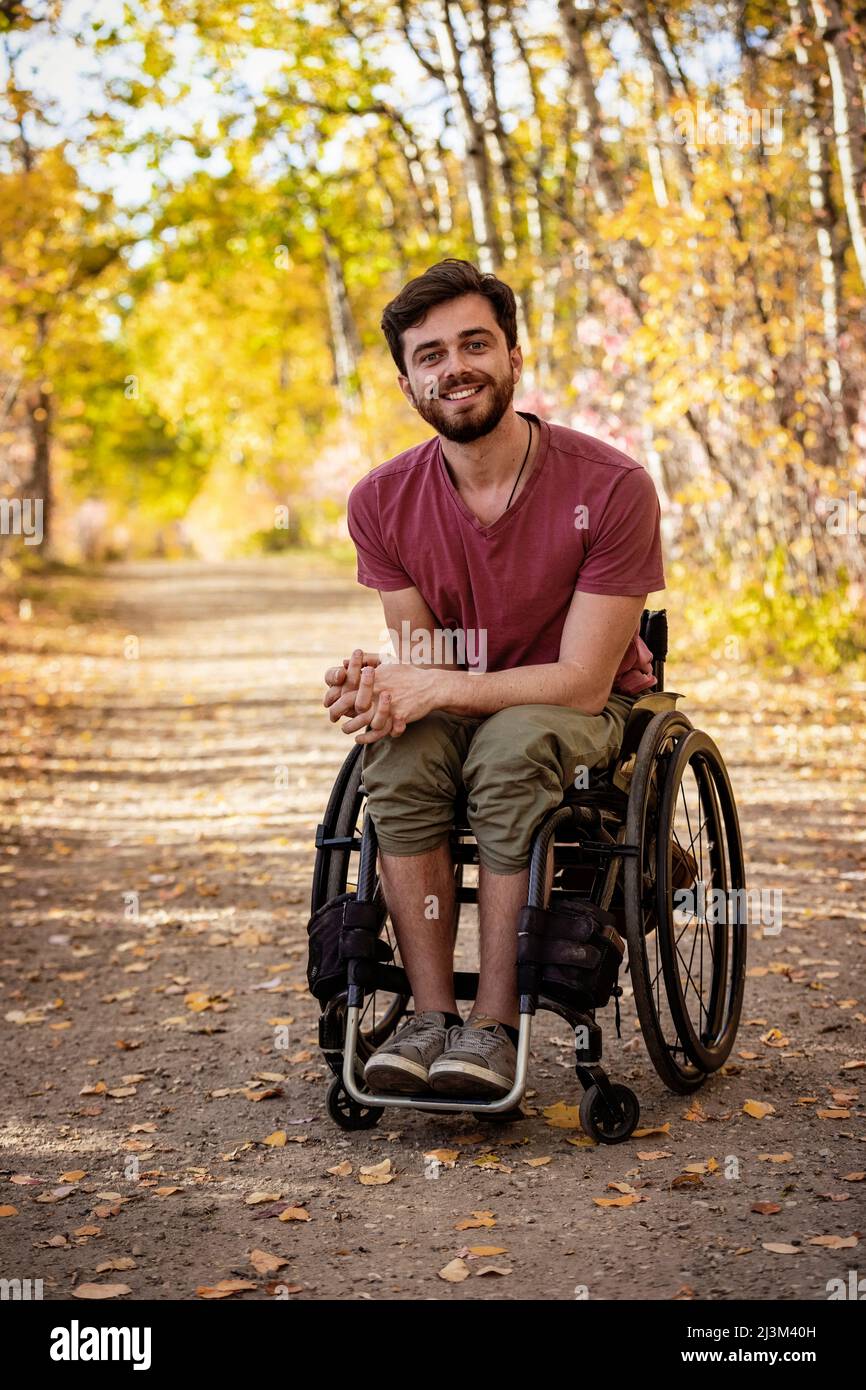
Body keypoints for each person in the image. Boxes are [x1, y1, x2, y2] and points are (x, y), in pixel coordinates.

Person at [322, 258, 665, 1100]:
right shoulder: (380, 502)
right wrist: (382, 684)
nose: (455, 367)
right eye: (430, 354)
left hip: (585, 704)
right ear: (407, 380)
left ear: (515, 357)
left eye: (475, 344)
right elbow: (429, 663)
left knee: (510, 749)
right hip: (469, 695)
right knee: (395, 754)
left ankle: (494, 1026)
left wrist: (433, 688)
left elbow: (584, 682)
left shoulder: (611, 486)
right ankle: (432, 1017)